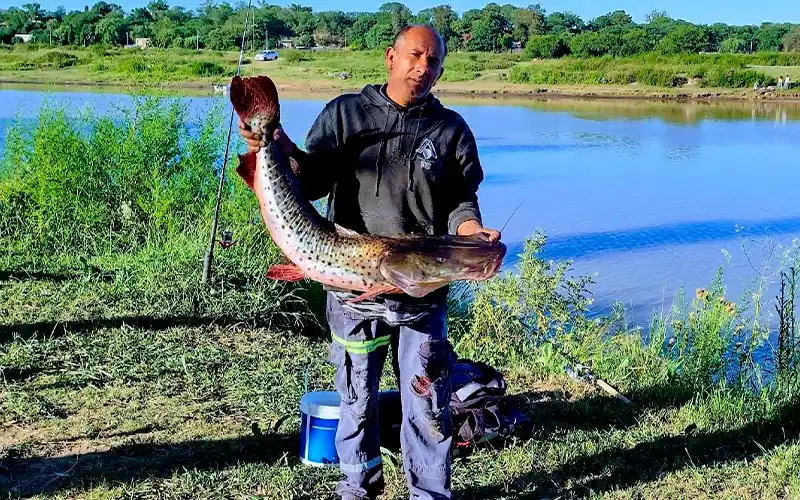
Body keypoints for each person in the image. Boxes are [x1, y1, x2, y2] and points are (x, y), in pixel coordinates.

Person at [239, 24, 501, 500]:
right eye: (416, 56)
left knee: (428, 403)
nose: (424, 68)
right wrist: (270, 147)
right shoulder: (346, 113)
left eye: (435, 61)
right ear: (391, 57)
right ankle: (358, 489)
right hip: (350, 290)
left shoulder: (451, 130)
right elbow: (310, 179)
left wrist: (471, 234)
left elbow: (461, 202)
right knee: (355, 399)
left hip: (421, 294)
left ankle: (429, 494)